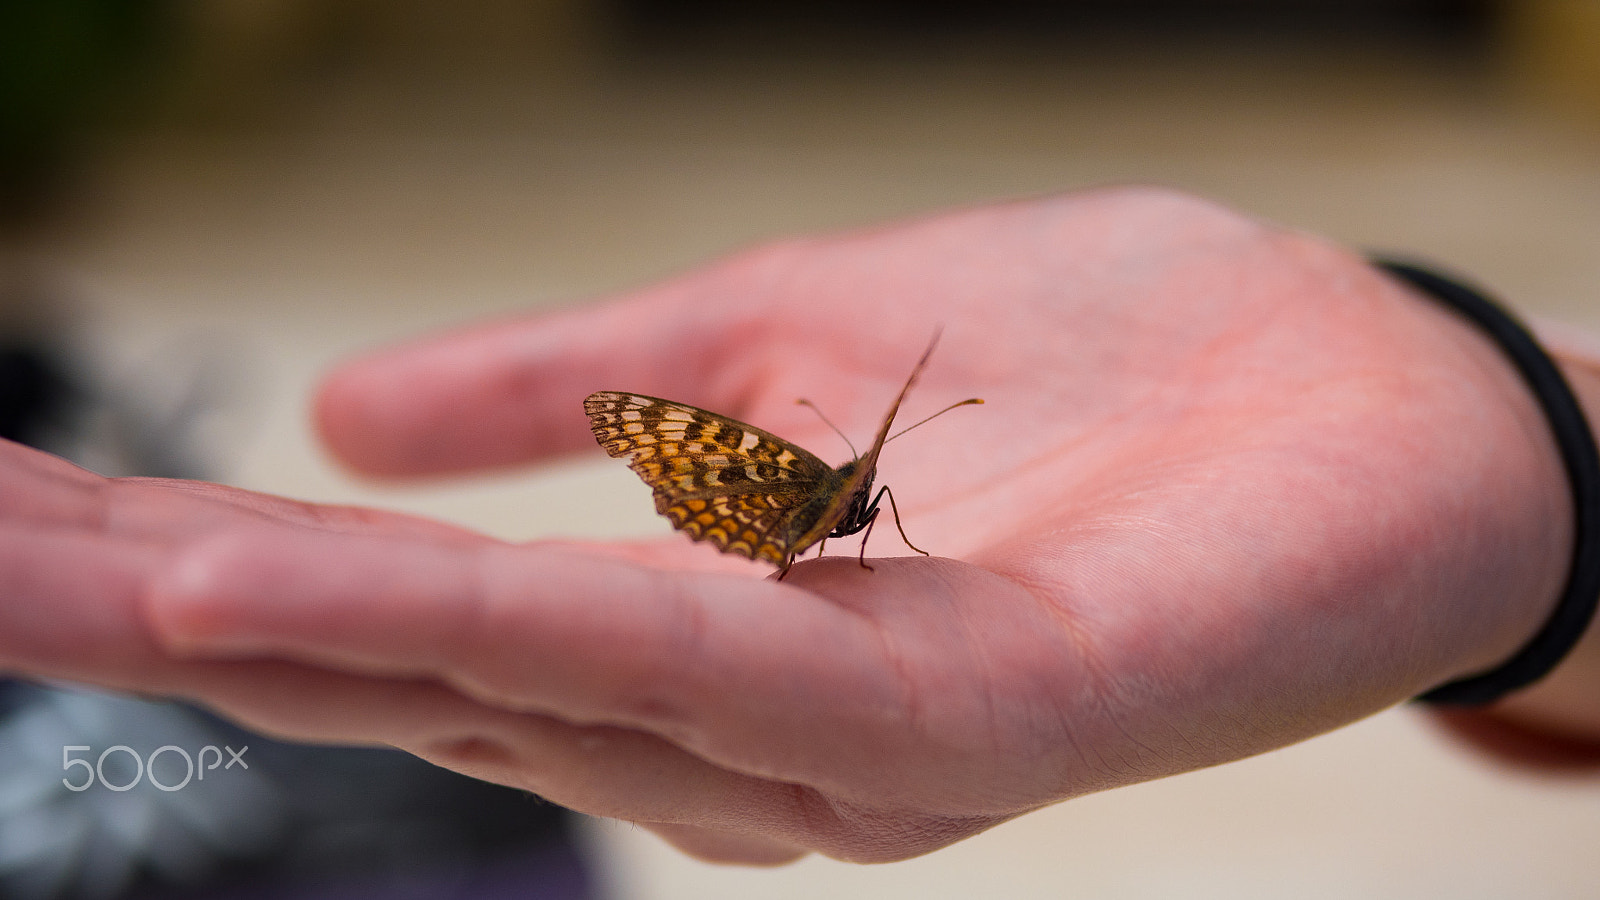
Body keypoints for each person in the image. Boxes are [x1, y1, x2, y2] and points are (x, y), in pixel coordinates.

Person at [1, 186, 1596, 866]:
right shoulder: (795, 474)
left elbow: (874, 488)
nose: (886, 473)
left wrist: (1528, 468)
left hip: (786, 514)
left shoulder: (847, 479)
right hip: (772, 509)